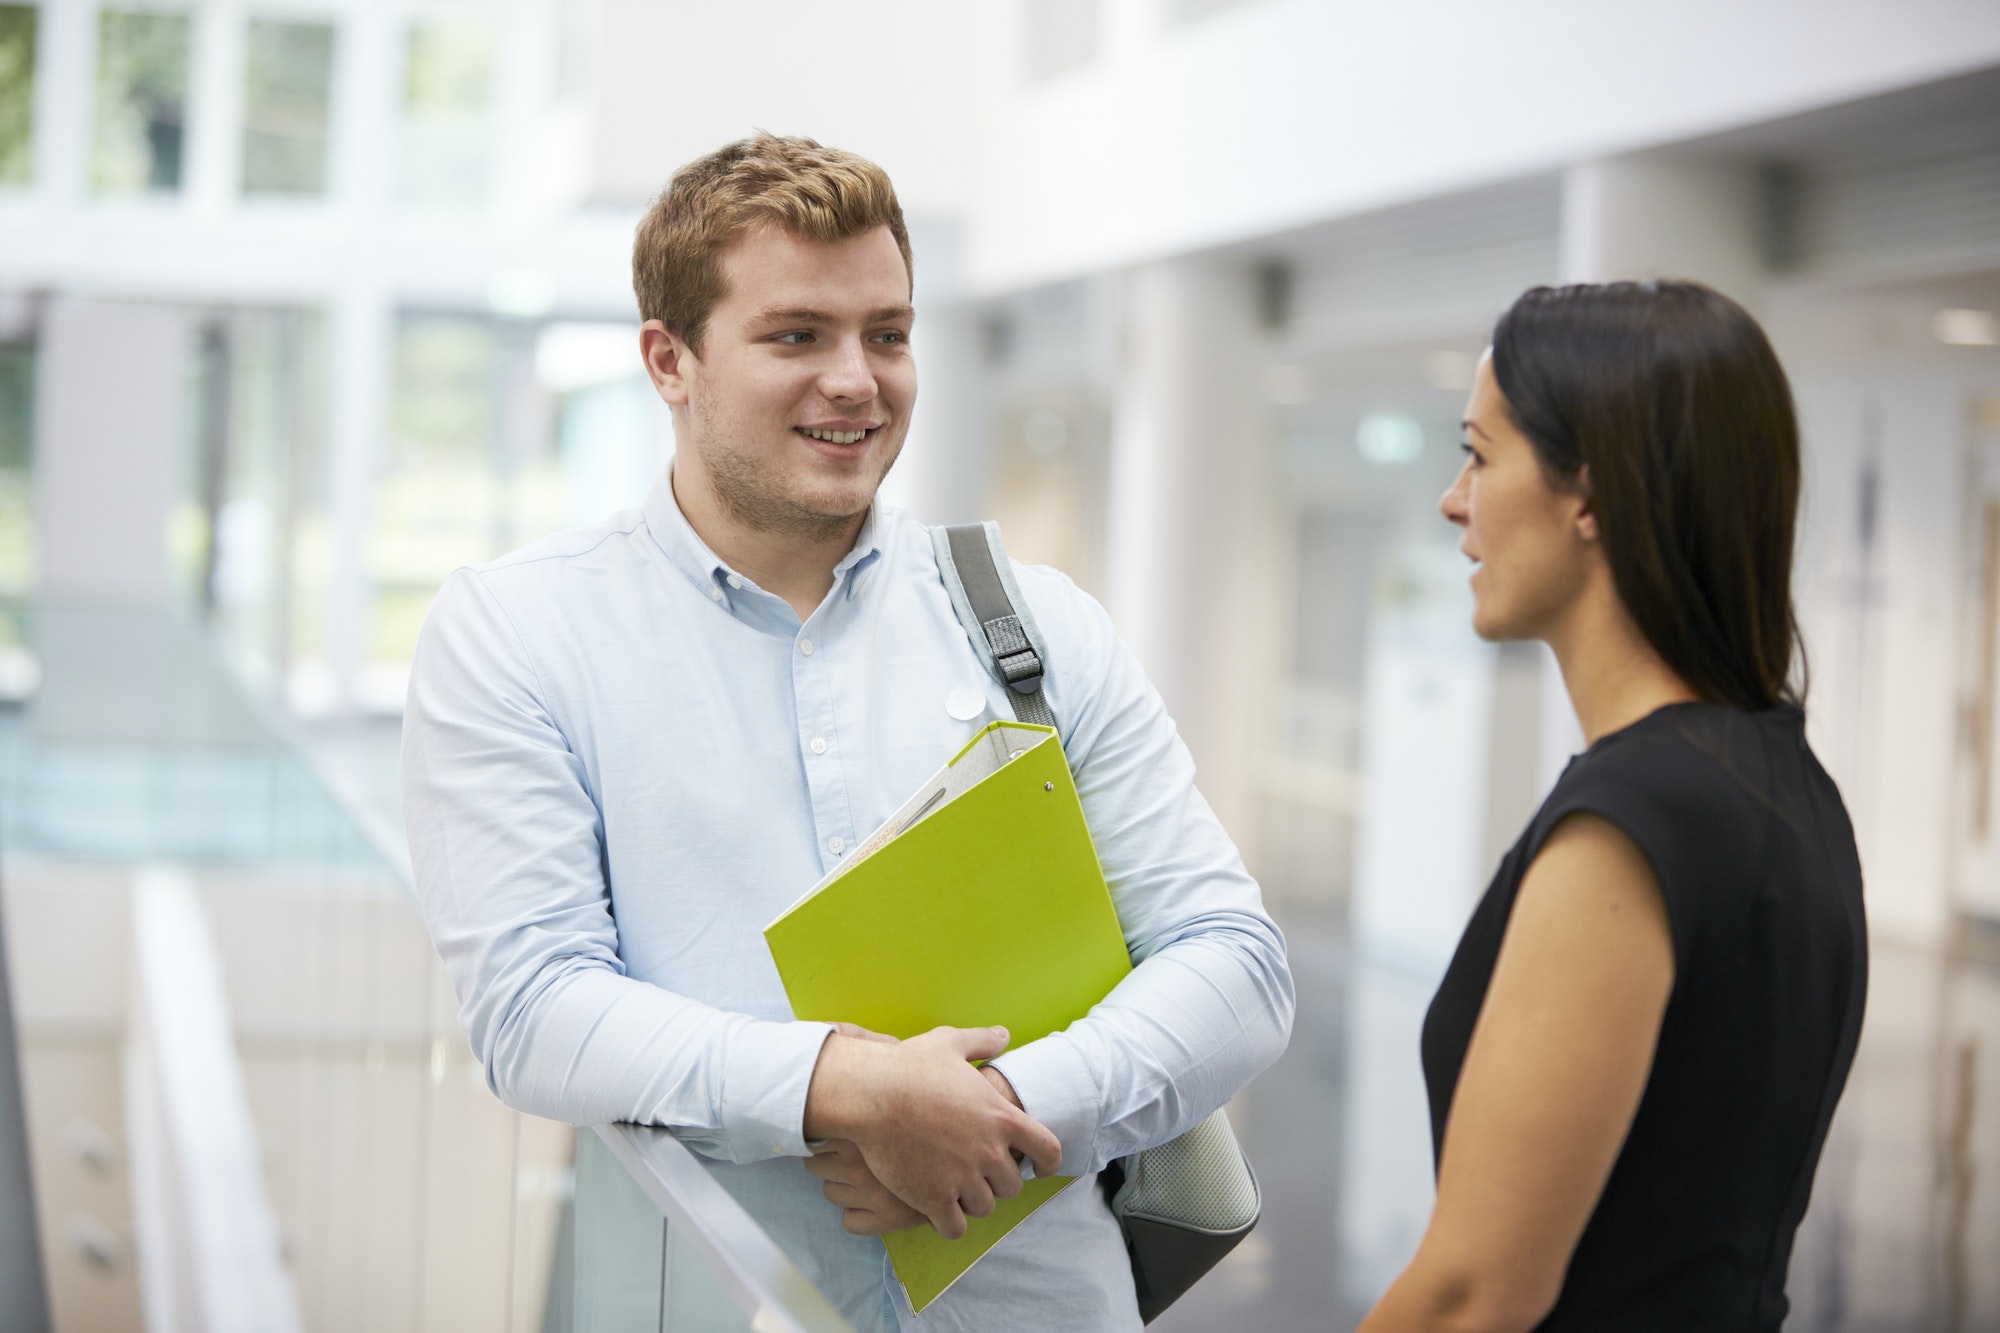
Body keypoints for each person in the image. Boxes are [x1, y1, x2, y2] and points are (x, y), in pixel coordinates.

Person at [400, 133, 1292, 1333]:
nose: (857, 381)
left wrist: (1009, 1109)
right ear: (669, 360)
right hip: (716, 1302)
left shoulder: (1028, 624)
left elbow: (1233, 962)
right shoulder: (521, 632)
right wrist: (841, 1085)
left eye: (887, 332)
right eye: (795, 336)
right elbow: (532, 1005)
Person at [1358, 281, 1868, 1332]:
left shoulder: (1630, 826)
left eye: (1479, 453)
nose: (1454, 499)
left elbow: (1471, 1293)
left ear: (1587, 494)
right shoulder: (1782, 782)